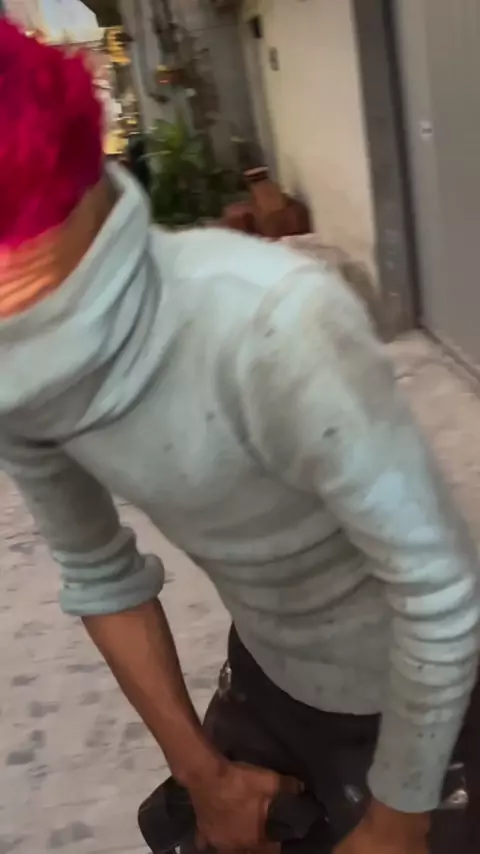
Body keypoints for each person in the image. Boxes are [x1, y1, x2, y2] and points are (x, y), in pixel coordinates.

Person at [1, 21, 479, 854]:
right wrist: (204, 778)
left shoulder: (271, 323)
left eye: (34, 298)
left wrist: (398, 820)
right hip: (267, 669)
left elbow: (436, 592)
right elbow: (98, 574)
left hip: (422, 696)